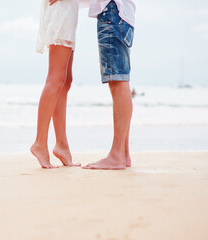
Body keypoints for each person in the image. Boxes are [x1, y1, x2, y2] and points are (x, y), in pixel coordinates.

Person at [81, 0, 136, 170]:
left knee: (117, 81)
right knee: (119, 80)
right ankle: (123, 153)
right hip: (121, 14)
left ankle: (116, 156)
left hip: (113, 12)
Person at [31, 0, 81, 168]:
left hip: (69, 9)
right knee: (56, 78)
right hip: (62, 10)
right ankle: (40, 143)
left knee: (65, 81)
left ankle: (62, 145)